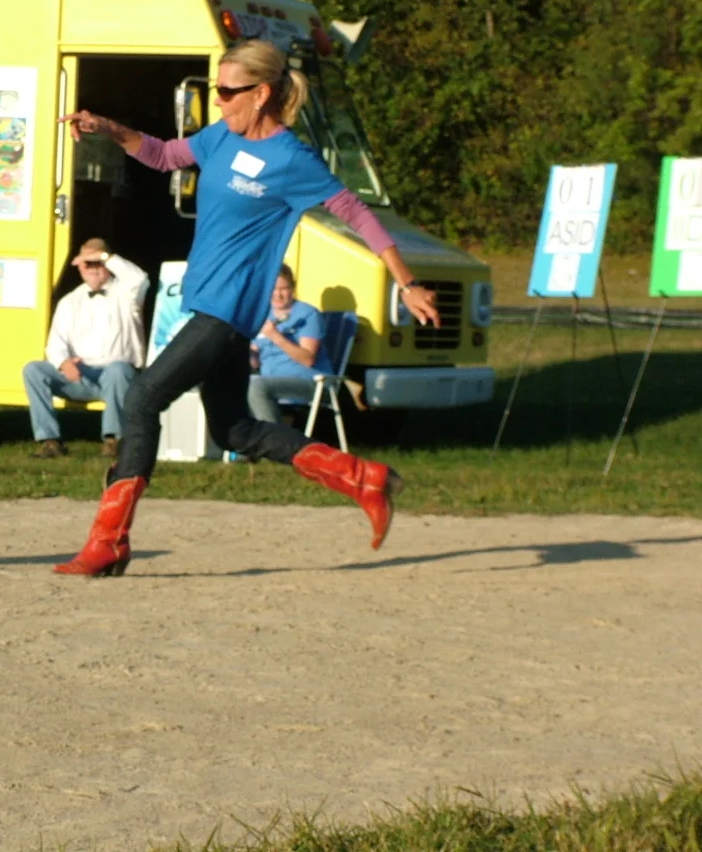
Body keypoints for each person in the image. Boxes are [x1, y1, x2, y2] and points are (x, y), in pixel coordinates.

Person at [55, 38, 441, 576]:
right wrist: (110, 128)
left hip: (229, 311)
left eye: (226, 91)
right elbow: (164, 155)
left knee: (141, 399)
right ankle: (364, 479)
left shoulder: (291, 159)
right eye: (216, 89)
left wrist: (407, 282)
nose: (217, 99)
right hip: (212, 309)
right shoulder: (221, 136)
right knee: (234, 430)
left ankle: (108, 541)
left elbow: (356, 212)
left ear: (261, 94)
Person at [22, 238, 149, 459]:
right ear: (79, 266)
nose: (92, 268)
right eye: (87, 263)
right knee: (33, 370)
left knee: (118, 369)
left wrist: (104, 257)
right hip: (83, 375)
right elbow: (55, 344)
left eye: (97, 263)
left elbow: (140, 278)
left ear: (108, 263)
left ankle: (113, 440)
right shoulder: (69, 302)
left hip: (119, 377)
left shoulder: (127, 292)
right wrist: (63, 363)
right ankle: (50, 441)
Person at [247, 264, 333, 423]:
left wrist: (275, 336)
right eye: (273, 289)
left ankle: (273, 437)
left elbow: (308, 359)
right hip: (270, 382)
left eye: (283, 289)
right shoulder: (263, 315)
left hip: (310, 382)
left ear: (292, 288)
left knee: (256, 387)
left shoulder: (307, 314)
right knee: (231, 382)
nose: (278, 295)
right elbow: (255, 362)